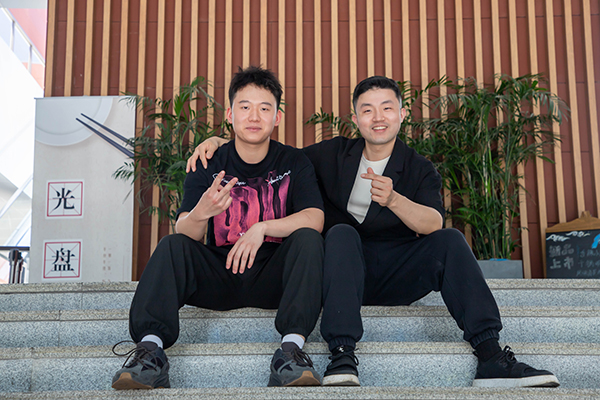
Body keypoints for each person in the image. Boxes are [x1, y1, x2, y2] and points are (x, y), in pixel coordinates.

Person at [187, 75, 561, 389]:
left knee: (450, 239)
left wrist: (395, 199)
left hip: (396, 271)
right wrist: (222, 144)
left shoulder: (418, 167)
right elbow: (275, 154)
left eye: (386, 108)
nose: (377, 117)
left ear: (402, 114)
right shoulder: (332, 154)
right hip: (341, 272)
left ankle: (491, 355)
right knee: (340, 233)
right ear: (356, 118)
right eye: (367, 110)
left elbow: (432, 222)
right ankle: (342, 354)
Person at [112, 66, 325, 390]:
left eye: (264, 108)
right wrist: (201, 212)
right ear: (229, 114)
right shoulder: (208, 162)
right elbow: (187, 230)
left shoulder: (294, 162)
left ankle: (291, 353)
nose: (254, 116)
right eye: (245, 106)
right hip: (219, 273)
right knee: (172, 244)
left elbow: (315, 217)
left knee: (309, 239)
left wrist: (262, 227)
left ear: (277, 117)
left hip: (274, 277)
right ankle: (150, 353)